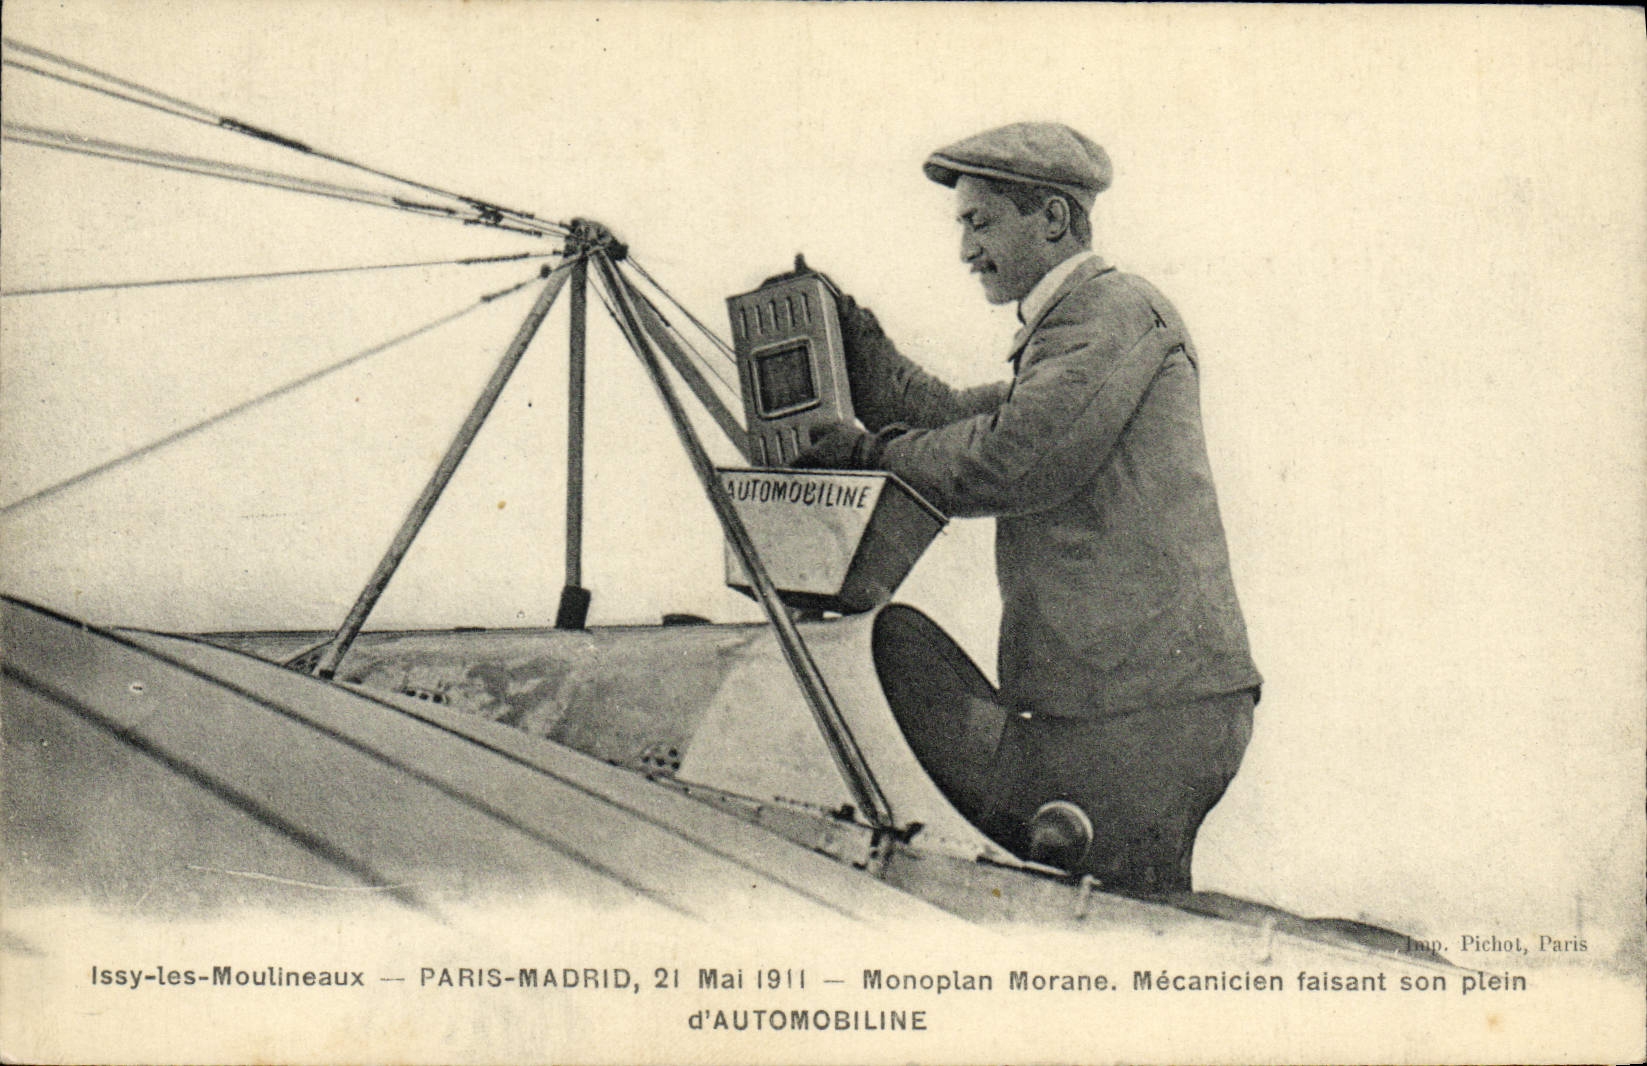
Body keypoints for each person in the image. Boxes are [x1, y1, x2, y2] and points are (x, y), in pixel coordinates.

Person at [792, 122, 1262, 896]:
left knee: (1109, 924)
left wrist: (867, 453)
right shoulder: (1074, 330)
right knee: (1108, 912)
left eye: (979, 223)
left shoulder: (1108, 314)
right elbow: (946, 414)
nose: (965, 250)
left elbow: (1016, 459)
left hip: (1139, 708)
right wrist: (855, 337)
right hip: (1122, 700)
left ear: (1050, 218)